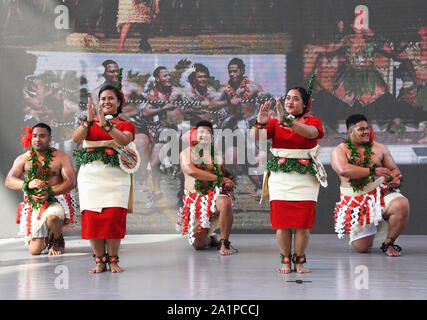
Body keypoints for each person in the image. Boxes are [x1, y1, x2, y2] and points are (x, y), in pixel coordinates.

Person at [250, 84, 327, 274]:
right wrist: (260, 122)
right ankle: (285, 260)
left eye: (295, 98)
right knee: (282, 223)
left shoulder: (313, 120)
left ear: (304, 103)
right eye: (288, 98)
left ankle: (299, 261)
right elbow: (256, 138)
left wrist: (289, 122)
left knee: (302, 223)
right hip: (280, 177)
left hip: (306, 177)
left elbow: (310, 134)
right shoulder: (275, 122)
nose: (290, 101)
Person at [72, 84, 136, 273]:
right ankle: (100, 261)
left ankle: (114, 260)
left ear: (119, 102)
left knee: (113, 218)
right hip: (91, 178)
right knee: (93, 219)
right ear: (98, 102)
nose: (106, 102)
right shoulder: (88, 123)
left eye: (111, 98)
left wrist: (107, 125)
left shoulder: (125, 124)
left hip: (116, 177)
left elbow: (125, 141)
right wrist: (87, 122)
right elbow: (76, 138)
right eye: (103, 99)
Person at [331, 114, 410, 257]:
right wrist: (372, 171)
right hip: (356, 199)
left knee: (401, 204)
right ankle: (376, 224)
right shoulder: (339, 150)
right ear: (350, 132)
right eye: (361, 129)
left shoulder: (380, 148)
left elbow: (393, 169)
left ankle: (388, 243)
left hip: (380, 193)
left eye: (367, 128)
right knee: (362, 248)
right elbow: (344, 170)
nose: (366, 132)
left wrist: (395, 178)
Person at [5, 123, 77, 255]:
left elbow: (71, 182)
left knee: (53, 217)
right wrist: (27, 185)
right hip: (34, 202)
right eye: (34, 136)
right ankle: (48, 234)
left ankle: (57, 239)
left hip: (56, 199)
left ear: (49, 139)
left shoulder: (61, 157)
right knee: (35, 251)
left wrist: (50, 192)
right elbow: (9, 180)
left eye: (42, 136)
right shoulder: (23, 158)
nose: (37, 139)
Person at [177, 120, 236, 255]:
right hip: (195, 200)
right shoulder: (187, 153)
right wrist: (220, 179)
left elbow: (223, 174)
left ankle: (224, 243)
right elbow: (192, 171)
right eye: (201, 132)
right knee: (198, 244)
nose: (204, 135)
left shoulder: (217, 155)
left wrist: (229, 181)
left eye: (208, 132)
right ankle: (211, 239)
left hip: (213, 197)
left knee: (225, 202)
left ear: (212, 136)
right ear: (194, 135)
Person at [143, 66, 183, 199]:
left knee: (184, 163)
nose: (168, 78)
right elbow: (145, 112)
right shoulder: (153, 94)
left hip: (181, 129)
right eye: (165, 76)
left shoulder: (176, 91)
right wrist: (162, 108)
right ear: (157, 79)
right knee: (154, 163)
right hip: (165, 131)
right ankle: (157, 191)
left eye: (169, 75)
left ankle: (184, 191)